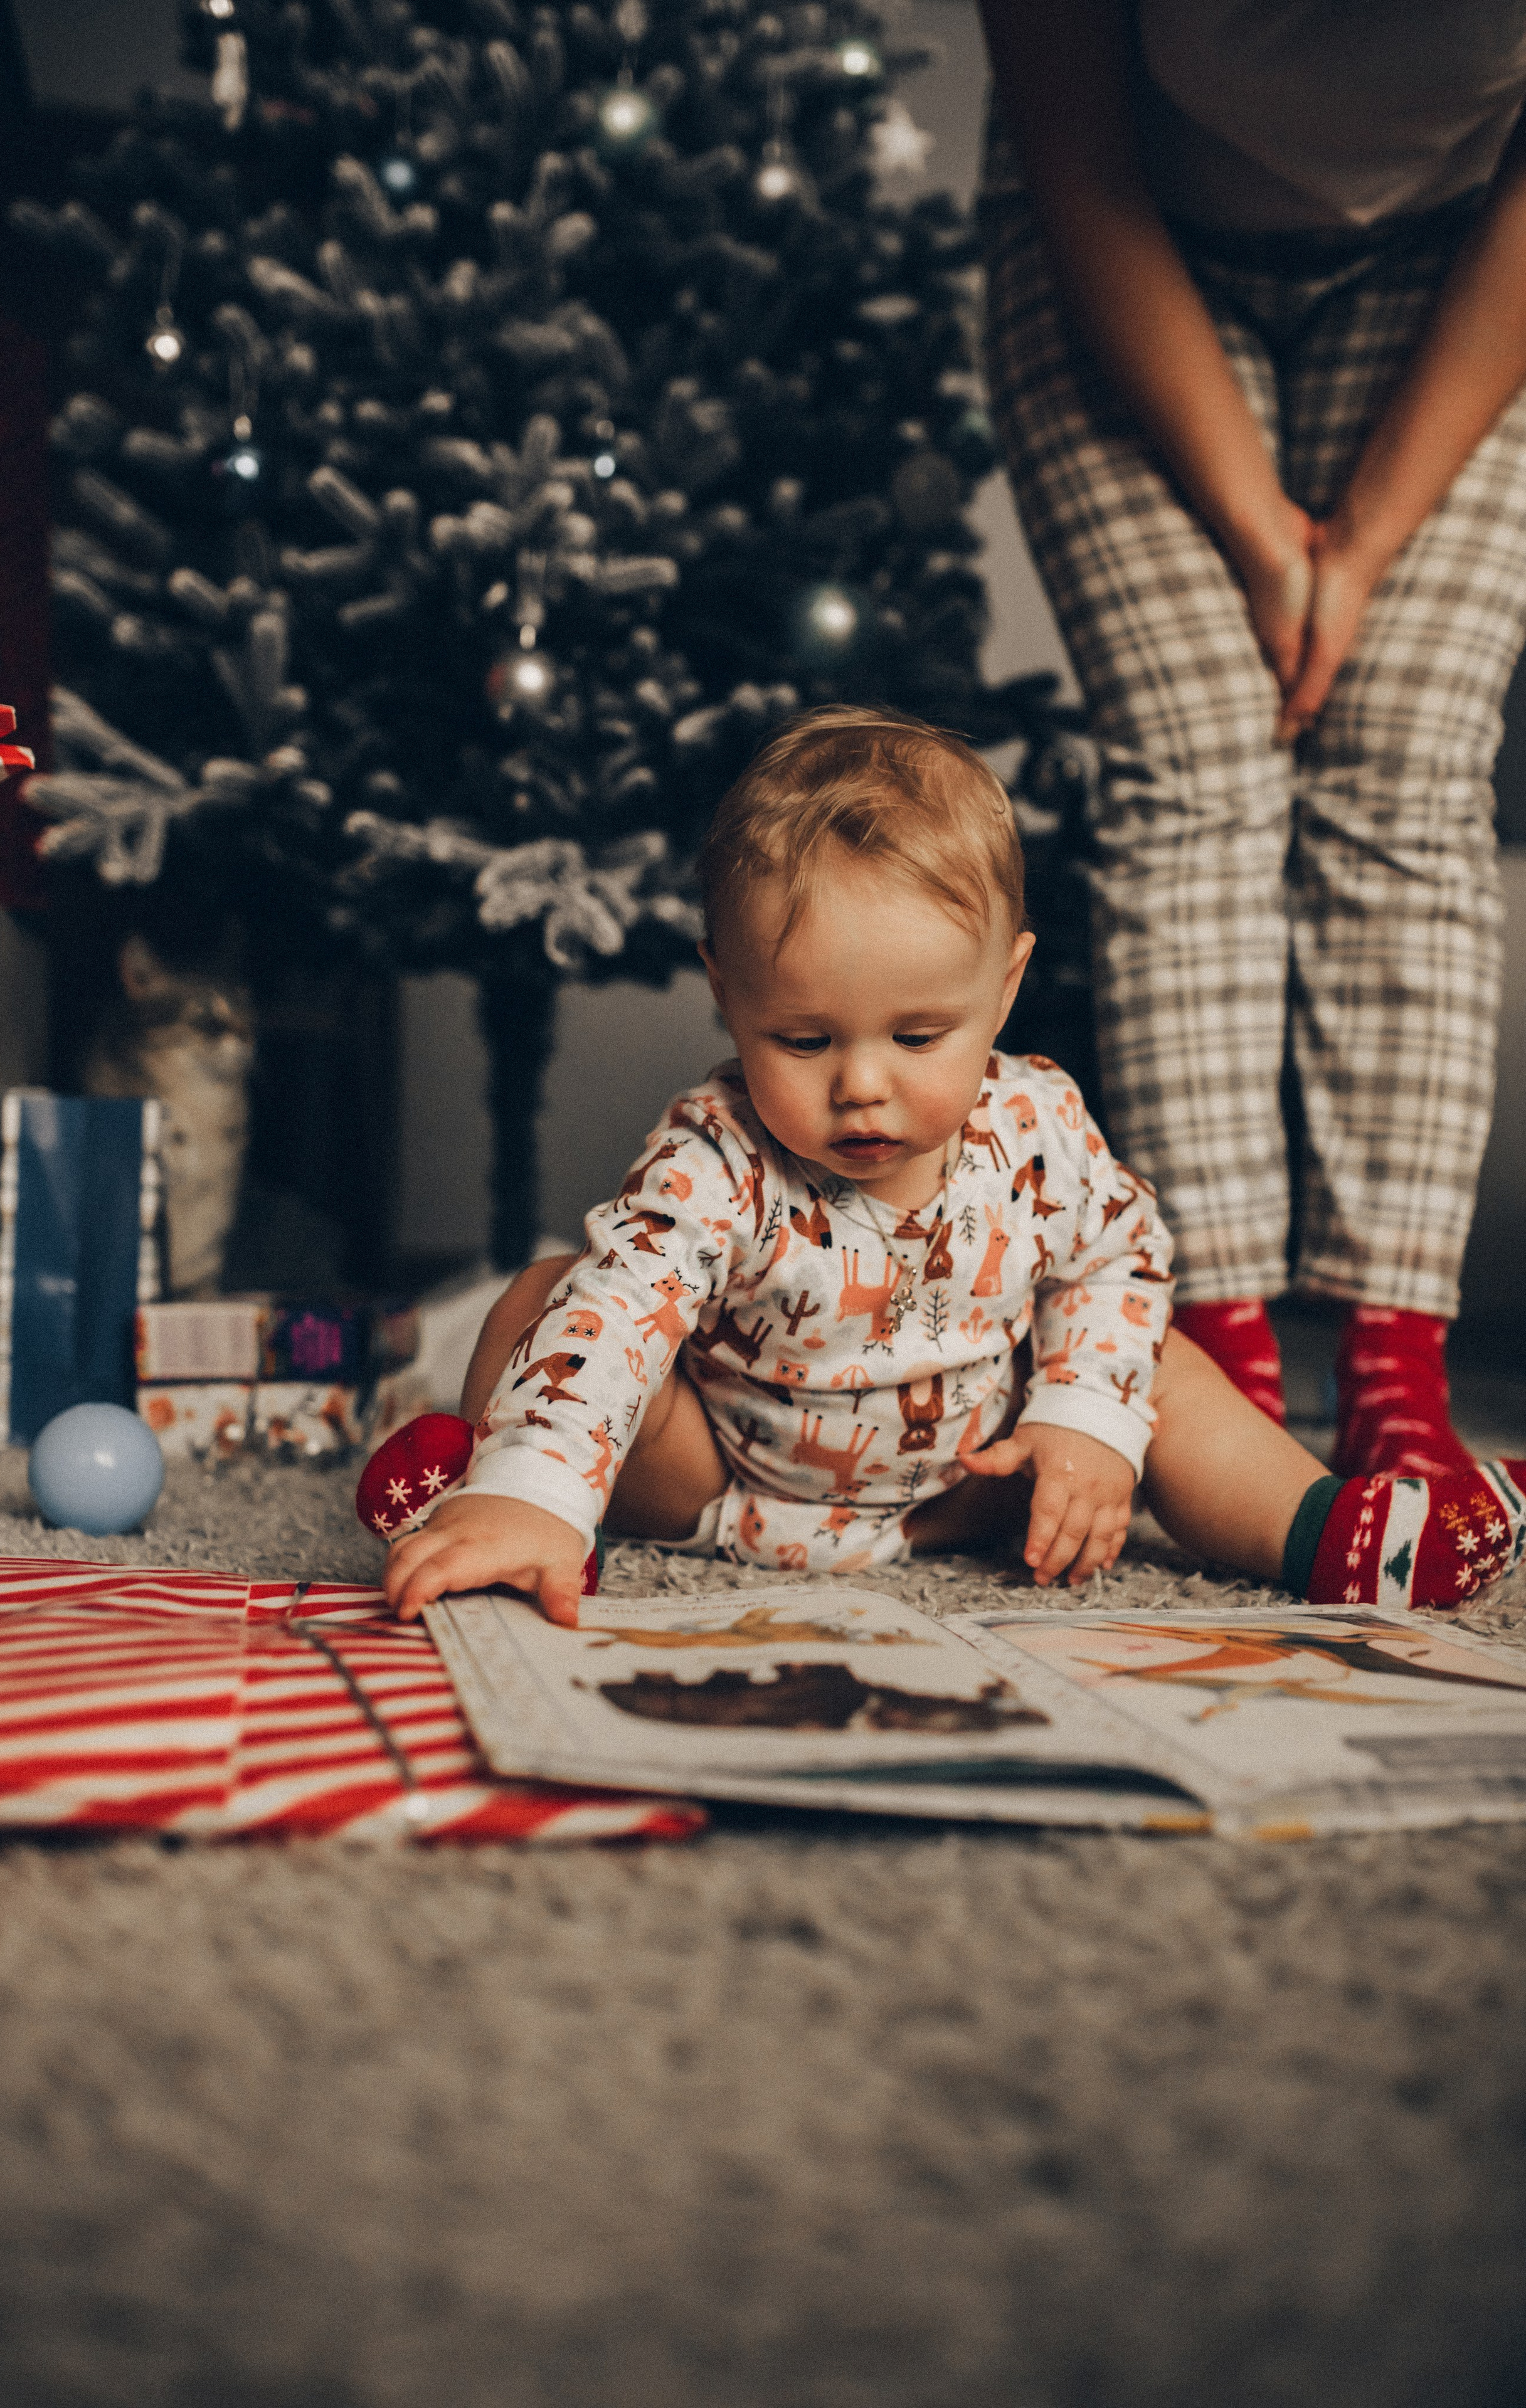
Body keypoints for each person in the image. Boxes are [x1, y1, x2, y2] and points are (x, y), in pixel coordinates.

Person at [380, 707, 1525, 1629]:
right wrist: (541, 1495)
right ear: (727, 992)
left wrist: (1083, 1419)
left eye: (919, 1036)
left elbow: (1119, 1259)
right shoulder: (715, 1157)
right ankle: (507, 1491)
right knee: (556, 1297)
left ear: (1005, 987)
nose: (862, 1084)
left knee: (1157, 1367)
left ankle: (1328, 1533)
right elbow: (625, 1311)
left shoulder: (1035, 1124)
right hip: (722, 1484)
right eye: (804, 1040)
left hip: (984, 1486)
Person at [976, 0, 1526, 1478]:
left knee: (1406, 755)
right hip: (1122, 228)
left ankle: (1395, 1365)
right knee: (1194, 757)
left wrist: (1360, 550)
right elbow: (1081, 167)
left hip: (1462, 256)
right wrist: (1264, 542)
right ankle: (1210, 1365)